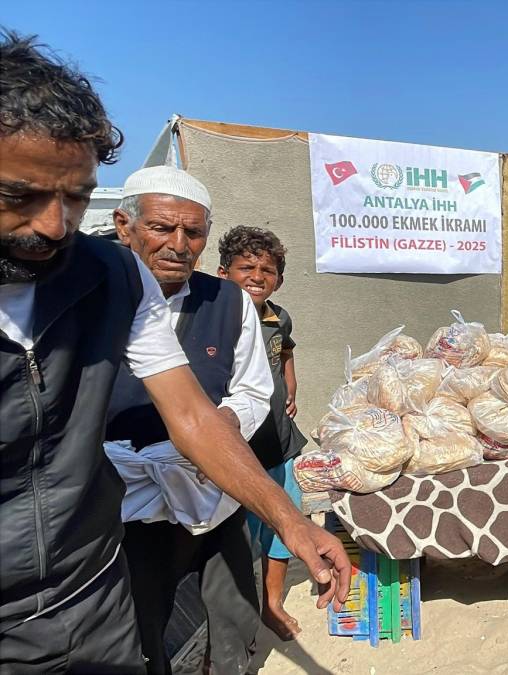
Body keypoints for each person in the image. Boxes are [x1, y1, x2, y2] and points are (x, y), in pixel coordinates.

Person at [0, 32, 347, 672]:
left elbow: (197, 416)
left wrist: (291, 523)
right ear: (128, 223)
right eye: (19, 195)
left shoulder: (112, 282)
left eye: (74, 198)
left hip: (90, 587)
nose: (52, 224)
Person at [107, 166, 275, 673]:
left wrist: (216, 436)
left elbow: (252, 390)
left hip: (214, 492)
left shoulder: (229, 302)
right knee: (139, 626)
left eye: (194, 232)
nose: (179, 244)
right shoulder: (92, 302)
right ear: (124, 225)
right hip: (125, 505)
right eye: (162, 228)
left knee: (234, 616)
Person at [218, 225, 308, 641]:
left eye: (267, 270)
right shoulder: (215, 321)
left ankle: (273, 603)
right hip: (237, 453)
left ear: (279, 279)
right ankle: (232, 623)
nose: (257, 276)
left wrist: (290, 386)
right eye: (246, 267)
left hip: (280, 443)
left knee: (282, 526)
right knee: (236, 540)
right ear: (223, 273)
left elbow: (285, 350)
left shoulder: (278, 316)